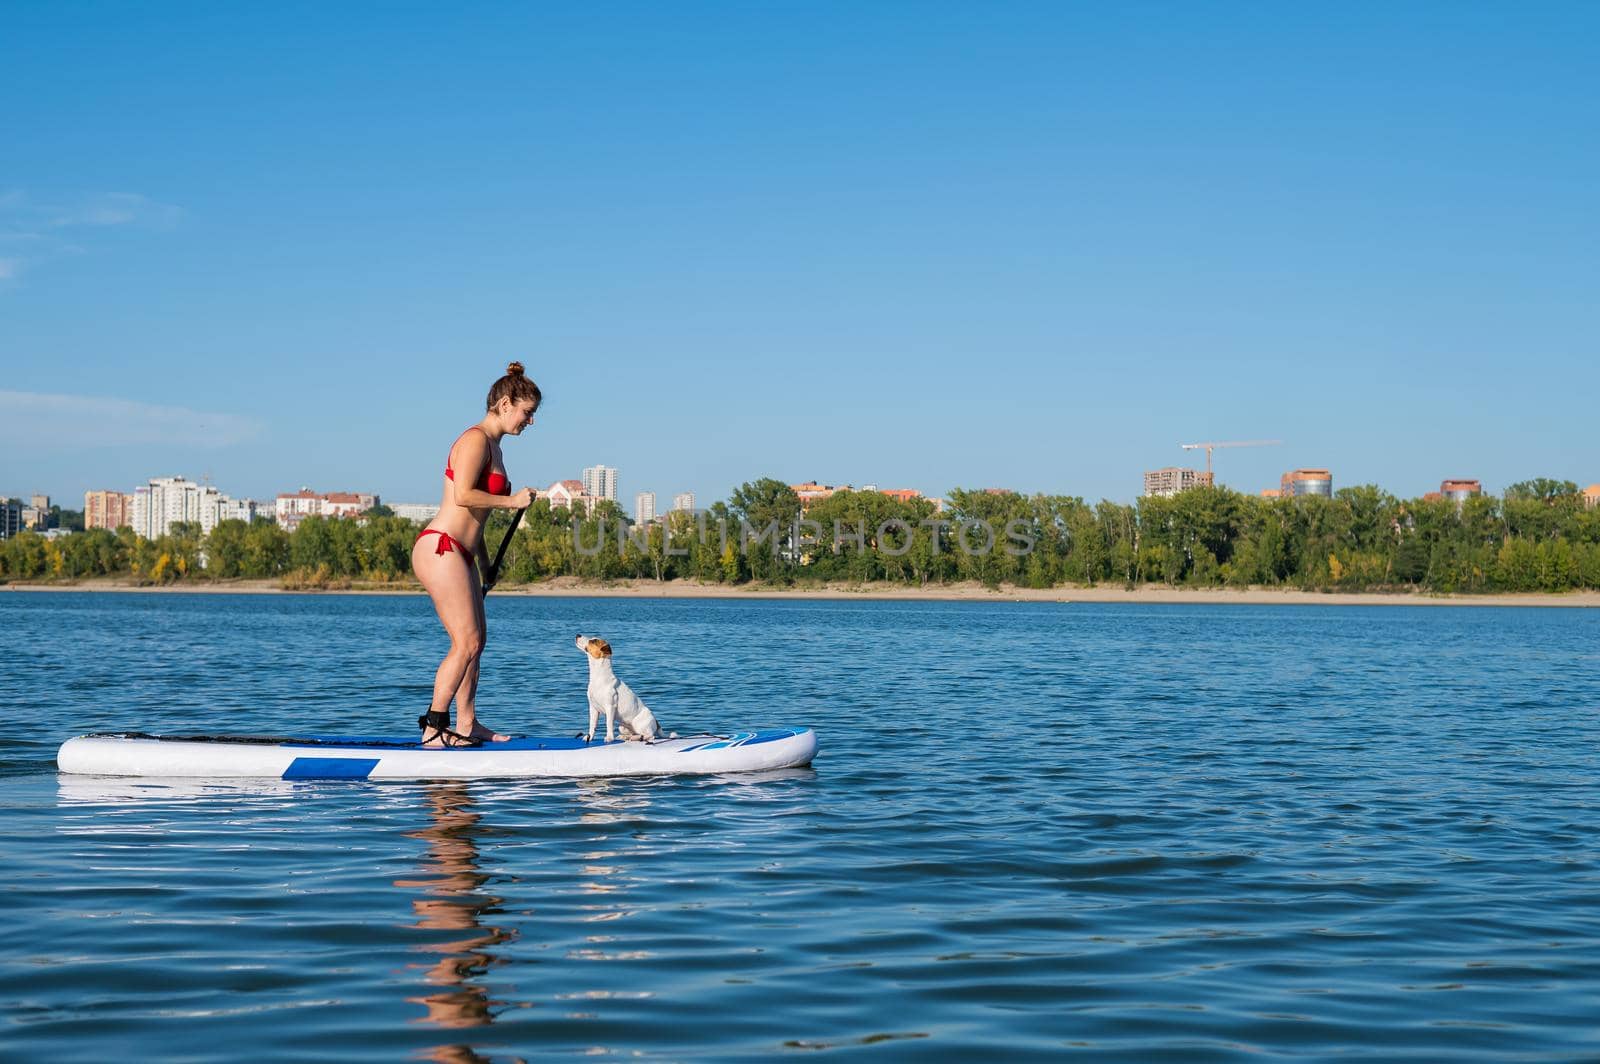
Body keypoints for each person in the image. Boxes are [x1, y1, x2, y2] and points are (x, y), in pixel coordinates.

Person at [411, 362, 539, 747]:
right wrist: (512, 500)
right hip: (440, 547)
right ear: (504, 403)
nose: (530, 422)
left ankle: (468, 723)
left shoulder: (496, 449)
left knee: (476, 641)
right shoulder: (475, 440)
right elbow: (464, 496)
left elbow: (476, 518)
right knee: (465, 642)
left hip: (464, 553)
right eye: (526, 412)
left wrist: (485, 564)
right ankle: (434, 727)